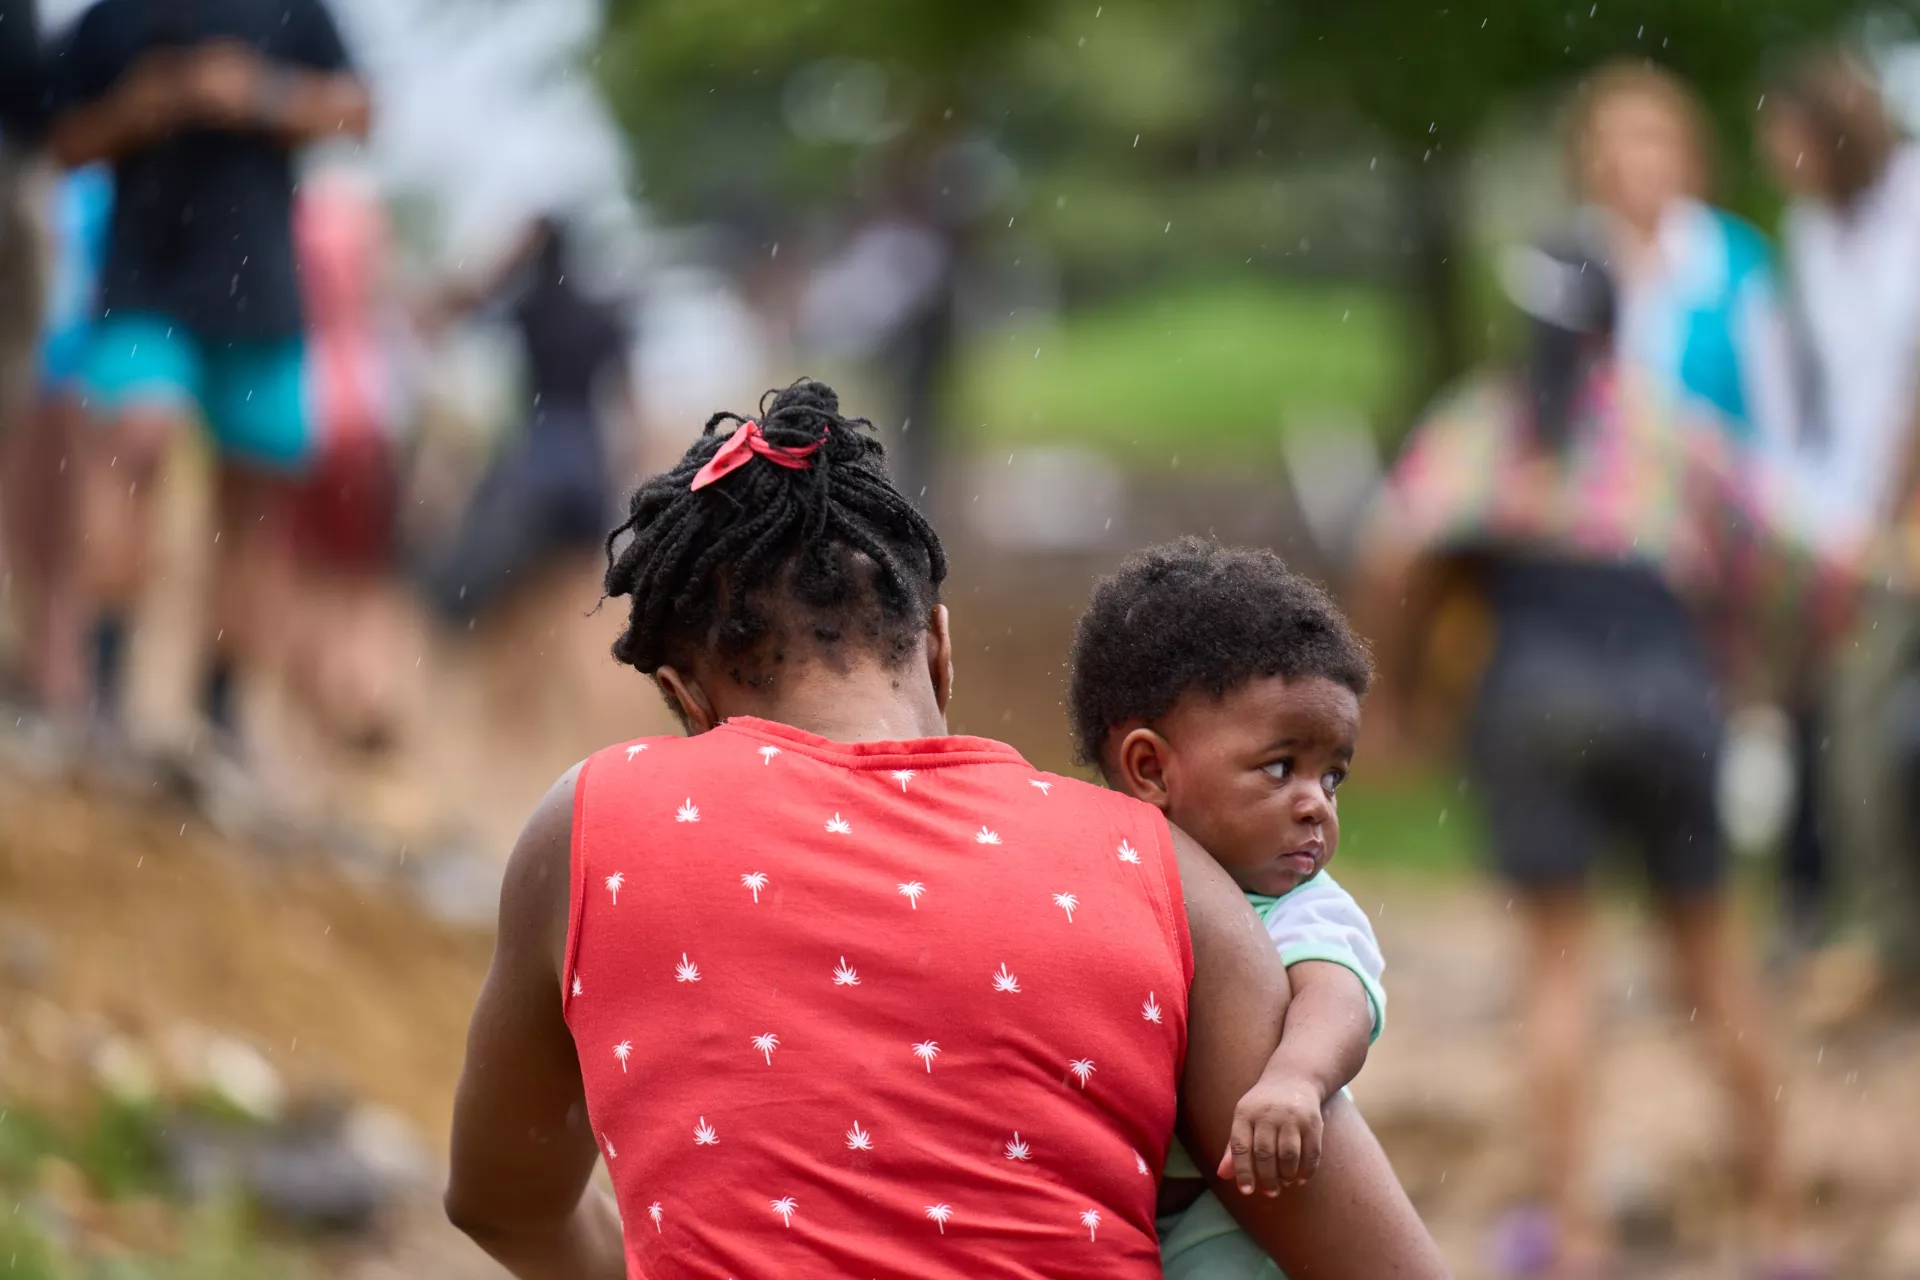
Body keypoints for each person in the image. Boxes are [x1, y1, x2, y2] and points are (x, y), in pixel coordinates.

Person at [445, 380, 1449, 1279]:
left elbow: (500, 1201)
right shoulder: (1161, 871)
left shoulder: (592, 824)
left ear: (686, 698)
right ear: (937, 642)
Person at [1357, 237, 1828, 1278]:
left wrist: (1391, 698)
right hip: (1667, 682)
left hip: (1535, 685)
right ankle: (1783, 1222)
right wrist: (1755, 663)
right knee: (1712, 958)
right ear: (1616, 329)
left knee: (1558, 965)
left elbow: (1393, 547)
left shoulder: (1486, 421)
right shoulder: (1668, 425)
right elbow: (1784, 558)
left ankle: (1575, 1234)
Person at [44, 0, 370, 755]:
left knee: (251, 511)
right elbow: (60, 142)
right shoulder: (111, 18)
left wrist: (259, 95)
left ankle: (218, 717)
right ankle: (101, 691)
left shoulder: (294, 11)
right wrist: (137, 109)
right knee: (138, 442)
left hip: (262, 296)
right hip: (142, 287)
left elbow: (360, 111)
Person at [1069, 537, 1387, 1280]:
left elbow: (1339, 997)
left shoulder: (1303, 908)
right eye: (1281, 767)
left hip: (1236, 1221)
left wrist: (1296, 1079)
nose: (1316, 804)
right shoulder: (1095, 880)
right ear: (1150, 769)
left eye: (1332, 777)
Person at [1759, 53, 1920, 987]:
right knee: (1834, 720)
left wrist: (1899, 513)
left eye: (1789, 137)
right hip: (1846, 521)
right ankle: (1867, 929)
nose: (1777, 157)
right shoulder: (1810, 231)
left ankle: (1884, 936)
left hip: (1900, 518)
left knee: (1866, 718)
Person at [1573, 62, 1796, 455]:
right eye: (1632, 142)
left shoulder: (1734, 258)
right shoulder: (1578, 257)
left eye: (1659, 140)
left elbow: (1779, 410)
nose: (1647, 160)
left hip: (1720, 480)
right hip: (1606, 479)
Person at [422, 215, 634, 625]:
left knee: (467, 587)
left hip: (538, 466)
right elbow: (629, 408)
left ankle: (447, 613)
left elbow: (457, 308)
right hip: (588, 468)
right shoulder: (600, 312)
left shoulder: (530, 307)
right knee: (580, 598)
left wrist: (508, 261)